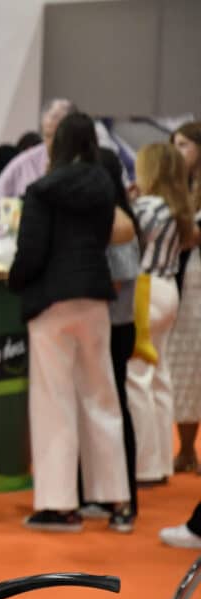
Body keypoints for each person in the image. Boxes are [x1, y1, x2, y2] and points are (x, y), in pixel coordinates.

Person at [8, 112, 131, 532]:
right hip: (94, 295)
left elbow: (31, 252)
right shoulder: (103, 184)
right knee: (102, 397)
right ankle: (116, 500)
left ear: (57, 143)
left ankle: (59, 505)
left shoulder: (42, 189)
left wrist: (16, 281)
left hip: (51, 301)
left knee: (53, 401)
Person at [127, 143, 195, 485]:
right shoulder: (178, 208)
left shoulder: (145, 207)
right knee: (159, 375)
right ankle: (162, 462)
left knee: (136, 375)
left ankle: (144, 465)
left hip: (145, 288)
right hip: (168, 287)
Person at [79, 148, 141, 523]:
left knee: (114, 409)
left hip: (115, 327)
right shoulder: (110, 218)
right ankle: (103, 494)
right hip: (105, 325)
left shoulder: (119, 223)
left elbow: (117, 281)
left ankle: (126, 498)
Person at [0, 99, 76, 221]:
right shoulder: (25, 162)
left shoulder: (84, 164)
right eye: (48, 136)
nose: (52, 144)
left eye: (59, 136)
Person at [168, 121, 201, 474]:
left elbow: (191, 235)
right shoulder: (177, 187)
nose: (178, 153)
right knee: (186, 365)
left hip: (197, 278)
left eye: (184, 145)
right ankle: (187, 449)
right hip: (182, 278)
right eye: (174, 145)